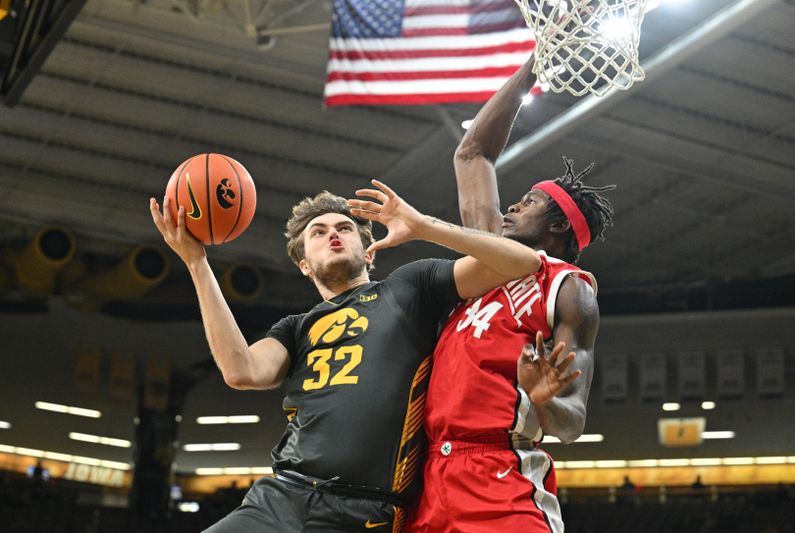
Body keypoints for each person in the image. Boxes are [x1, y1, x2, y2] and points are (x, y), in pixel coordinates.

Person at [149, 179, 543, 532]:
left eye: (344, 228)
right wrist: (197, 264)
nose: (333, 235)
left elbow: (523, 263)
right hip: (281, 496)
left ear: (369, 252)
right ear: (304, 264)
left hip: (365, 510)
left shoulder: (409, 287)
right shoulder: (295, 327)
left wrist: (422, 225)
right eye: (318, 233)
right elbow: (241, 371)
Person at [409, 51, 615, 533]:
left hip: (502, 475)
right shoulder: (487, 259)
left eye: (530, 203)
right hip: (431, 476)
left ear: (560, 223)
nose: (511, 207)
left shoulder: (569, 289)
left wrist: (542, 397)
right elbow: (471, 154)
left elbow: (572, 423)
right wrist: (533, 68)